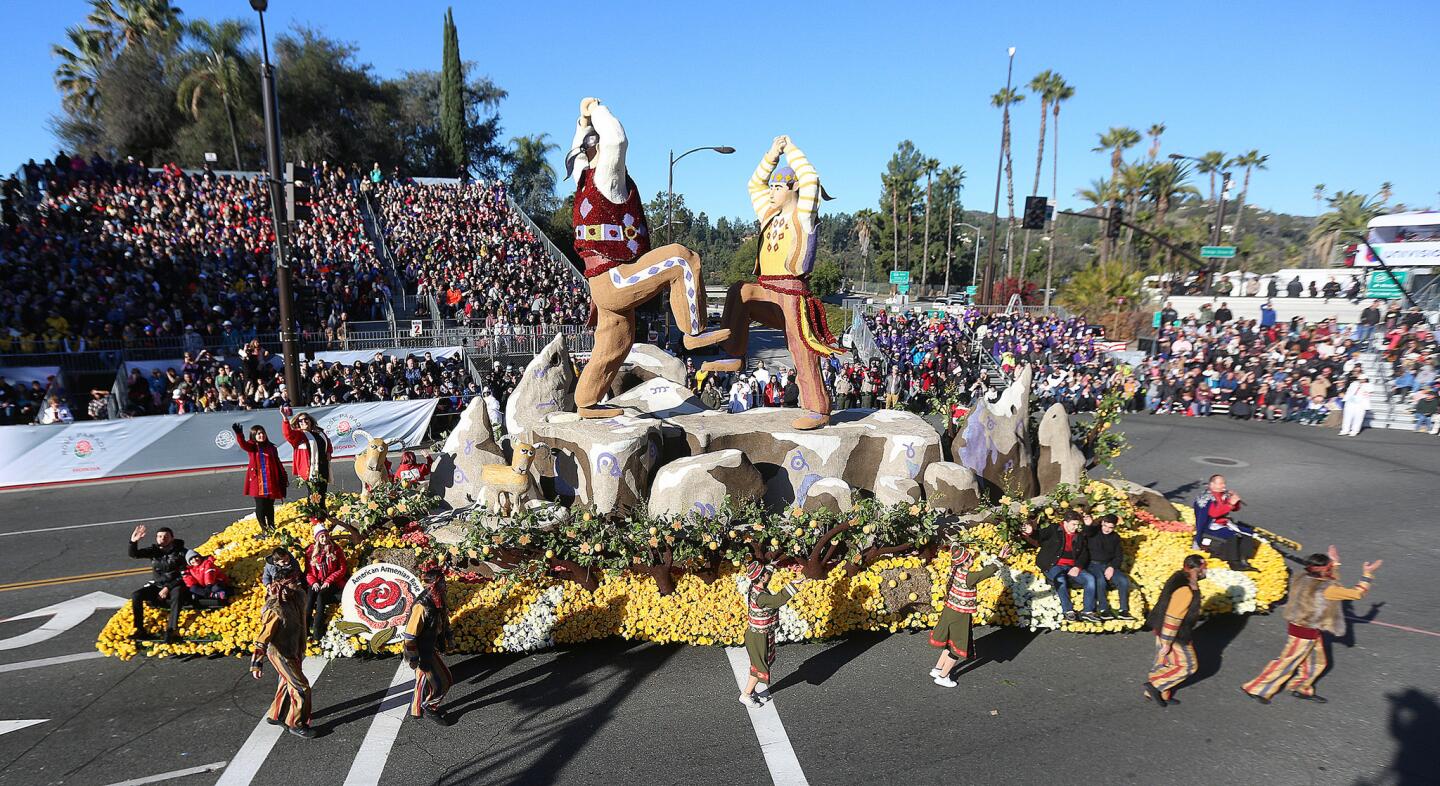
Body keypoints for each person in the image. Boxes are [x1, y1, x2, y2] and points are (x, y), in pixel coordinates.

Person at [565, 97, 728, 418]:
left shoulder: (581, 179)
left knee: (617, 342)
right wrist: (597, 110)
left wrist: (582, 121)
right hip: (615, 277)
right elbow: (617, 139)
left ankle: (586, 401)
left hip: (600, 284)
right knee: (682, 259)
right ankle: (694, 331)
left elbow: (581, 150)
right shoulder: (604, 178)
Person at [704, 135, 845, 430]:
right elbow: (753, 184)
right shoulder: (769, 215)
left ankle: (818, 408)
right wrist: (771, 155)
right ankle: (733, 354)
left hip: (793, 293)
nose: (770, 192)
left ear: (793, 189)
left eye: (777, 187)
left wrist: (790, 149)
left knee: (800, 348)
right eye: (772, 187)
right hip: (768, 288)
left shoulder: (803, 214)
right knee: (740, 291)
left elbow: (811, 177)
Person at [1242, 548, 1380, 705]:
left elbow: (1331, 578)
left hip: (1301, 626)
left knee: (1316, 661)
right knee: (1286, 662)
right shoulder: (1328, 589)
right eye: (1329, 567)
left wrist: (1334, 562)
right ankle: (1255, 688)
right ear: (1324, 570)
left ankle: (1301, 688)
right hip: (1304, 631)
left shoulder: (1302, 578)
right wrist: (1367, 574)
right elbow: (1357, 593)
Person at [250, 551, 316, 738]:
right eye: (293, 581)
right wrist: (256, 662)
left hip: (294, 648)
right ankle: (296, 723)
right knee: (301, 688)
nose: (298, 583)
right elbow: (264, 635)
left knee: (287, 683)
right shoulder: (276, 608)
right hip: (282, 653)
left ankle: (277, 714)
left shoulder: (296, 599)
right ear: (282, 585)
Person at [929, 541, 1011, 687]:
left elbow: (956, 551)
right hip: (960, 615)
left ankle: (938, 668)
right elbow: (986, 572)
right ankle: (943, 676)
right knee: (959, 646)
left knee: (949, 642)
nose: (973, 559)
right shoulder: (968, 577)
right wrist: (1000, 558)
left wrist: (955, 545)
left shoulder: (953, 570)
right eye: (971, 558)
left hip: (949, 612)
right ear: (966, 563)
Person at [738, 561, 808, 708]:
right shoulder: (761, 597)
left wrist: (773, 565)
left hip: (760, 634)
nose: (767, 574)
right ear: (761, 578)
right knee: (758, 667)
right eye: (765, 573)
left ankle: (751, 692)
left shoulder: (755, 586)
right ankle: (746, 694)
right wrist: (794, 585)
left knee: (758, 664)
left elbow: (767, 574)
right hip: (758, 637)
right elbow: (776, 601)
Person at [1144, 554, 1207, 708]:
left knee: (1164, 662)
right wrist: (1167, 642)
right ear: (1194, 569)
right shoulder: (1186, 590)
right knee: (1188, 666)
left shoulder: (1180, 579)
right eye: (1203, 568)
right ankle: (1156, 686)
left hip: (1162, 629)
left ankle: (1160, 693)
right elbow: (1174, 617)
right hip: (1175, 635)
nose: (1205, 571)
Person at [1021, 512, 1101, 622]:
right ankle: (1068, 611)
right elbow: (1040, 535)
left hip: (1072, 566)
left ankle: (1088, 611)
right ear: (1065, 523)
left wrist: (1077, 567)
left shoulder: (1079, 535)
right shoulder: (1054, 529)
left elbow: (1084, 553)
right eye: (1073, 524)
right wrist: (1031, 532)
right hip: (1053, 564)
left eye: (1077, 525)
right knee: (1060, 579)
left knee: (1090, 579)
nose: (1075, 527)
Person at [403, 564, 455, 725]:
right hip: (422, 648)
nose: (445, 586)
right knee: (444, 680)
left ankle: (416, 710)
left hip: (429, 644)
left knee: (422, 678)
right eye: (442, 583)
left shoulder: (439, 599)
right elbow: (410, 635)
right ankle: (430, 706)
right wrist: (413, 657)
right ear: (434, 586)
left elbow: (443, 620)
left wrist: (449, 637)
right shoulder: (421, 606)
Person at [128, 525, 188, 641]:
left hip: (175, 585)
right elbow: (134, 554)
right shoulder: (154, 551)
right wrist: (133, 542)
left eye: (166, 536)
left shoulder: (181, 552)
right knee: (136, 595)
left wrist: (167, 588)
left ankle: (171, 630)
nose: (162, 539)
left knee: (178, 593)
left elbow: (184, 575)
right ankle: (139, 630)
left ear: (172, 538)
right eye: (159, 536)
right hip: (158, 586)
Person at [1192, 474, 1256, 571]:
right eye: (1220, 484)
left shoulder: (1223, 495)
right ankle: (1234, 562)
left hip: (1223, 522)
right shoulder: (1206, 497)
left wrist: (1235, 502)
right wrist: (1230, 504)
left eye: (1224, 483)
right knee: (1232, 535)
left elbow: (1235, 509)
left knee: (1247, 532)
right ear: (1212, 485)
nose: (1223, 486)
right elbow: (1214, 513)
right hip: (1210, 525)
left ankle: (1244, 558)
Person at [232, 422, 287, 533]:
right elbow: (243, 445)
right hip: (258, 483)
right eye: (258, 434)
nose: (261, 435)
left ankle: (271, 524)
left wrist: (283, 476)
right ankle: (264, 527)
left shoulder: (271, 447)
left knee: (270, 505)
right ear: (253, 436)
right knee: (261, 506)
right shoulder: (252, 447)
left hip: (271, 481)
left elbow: (278, 462)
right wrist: (239, 435)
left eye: (262, 433)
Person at [1084, 514, 1134, 620]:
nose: (1107, 529)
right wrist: (1088, 525)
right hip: (1092, 564)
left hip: (1108, 565)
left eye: (1110, 527)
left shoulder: (1115, 537)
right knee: (1100, 581)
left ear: (1114, 527)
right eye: (1105, 526)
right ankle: (1103, 609)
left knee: (1123, 580)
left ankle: (1123, 610)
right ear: (1102, 523)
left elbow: (1118, 556)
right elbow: (1088, 532)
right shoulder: (1094, 532)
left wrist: (1112, 567)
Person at [304, 522, 349, 640]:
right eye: (321, 537)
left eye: (326, 536)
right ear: (317, 538)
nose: (324, 539)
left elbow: (342, 569)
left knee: (320, 598)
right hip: (316, 582)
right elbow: (308, 572)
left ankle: (318, 632)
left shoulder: (336, 550)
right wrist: (313, 582)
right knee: (309, 600)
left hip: (332, 582)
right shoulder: (311, 551)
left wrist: (329, 580)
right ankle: (304, 629)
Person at [280, 404, 333, 503]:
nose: (304, 422)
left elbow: (328, 442)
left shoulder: (319, 432)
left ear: (310, 420)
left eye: (306, 419)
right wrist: (285, 418)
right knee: (314, 492)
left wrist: (329, 452)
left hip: (323, 466)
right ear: (298, 423)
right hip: (310, 469)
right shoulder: (299, 435)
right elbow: (288, 434)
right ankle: (314, 515)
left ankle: (322, 512)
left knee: (322, 491)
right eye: (301, 421)